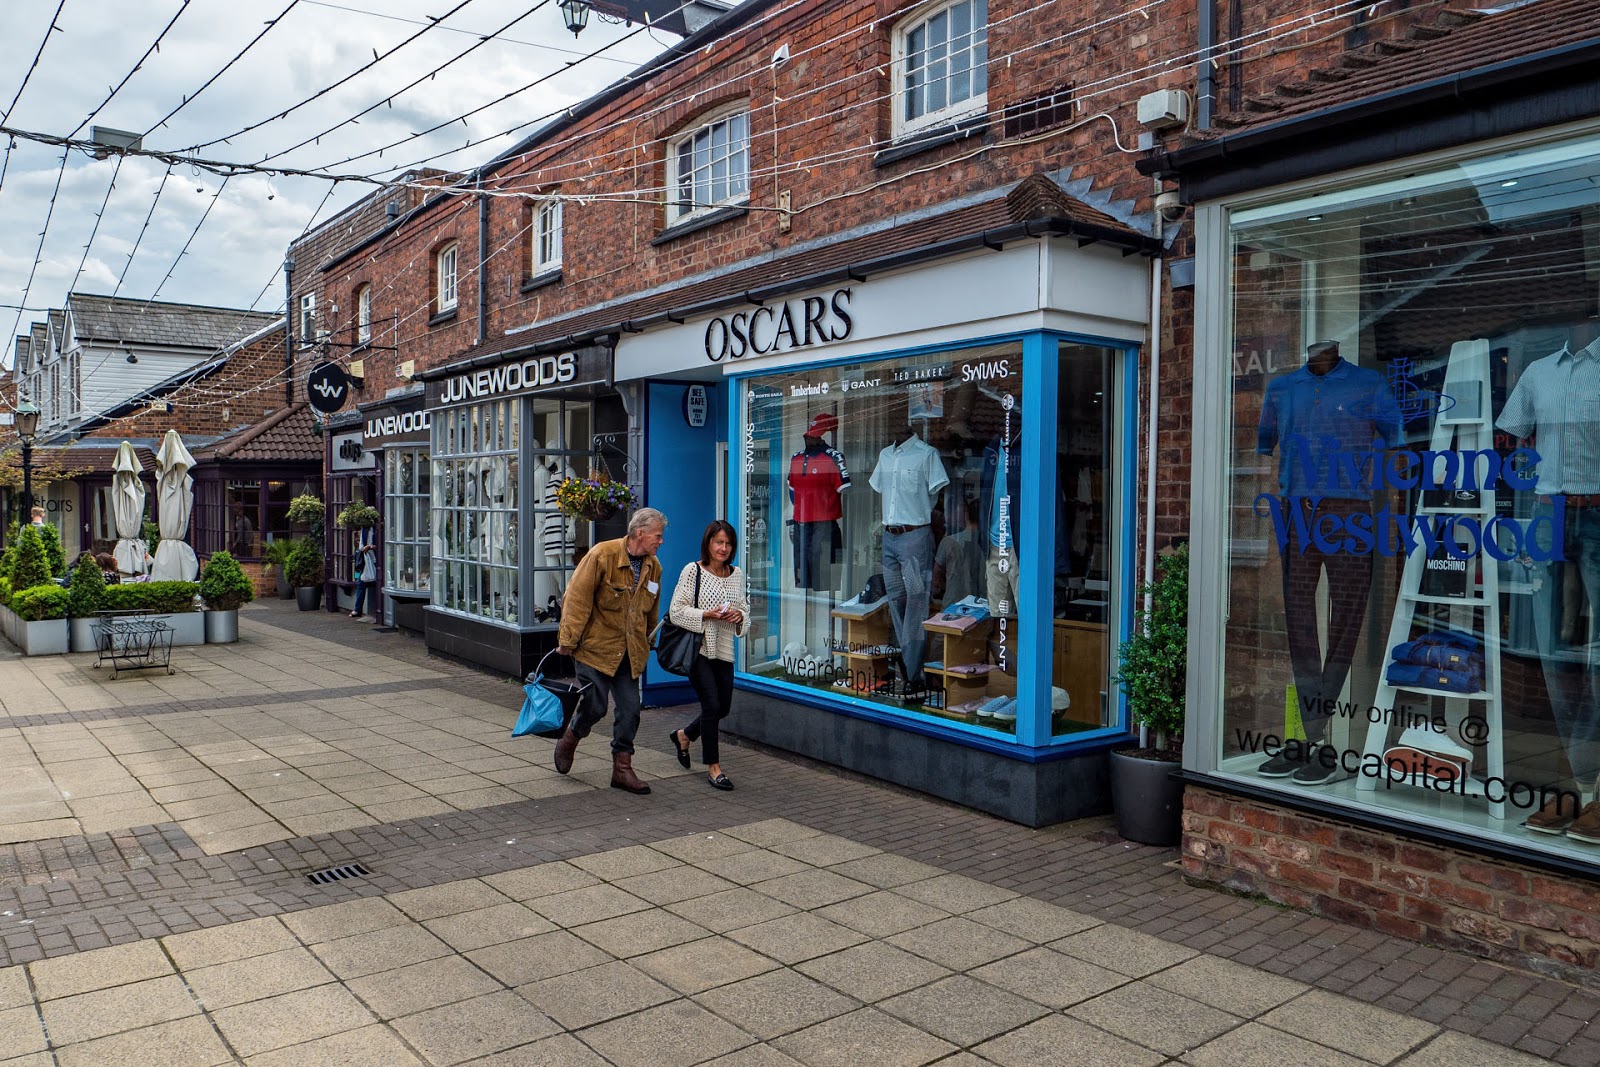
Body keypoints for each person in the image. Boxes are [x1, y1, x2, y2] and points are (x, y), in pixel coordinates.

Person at [552, 506, 667, 794]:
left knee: (630, 710)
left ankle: (622, 769)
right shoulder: (602, 555)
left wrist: (649, 640)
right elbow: (576, 598)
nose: (661, 541)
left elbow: (651, 610)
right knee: (596, 706)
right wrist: (568, 639)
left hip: (629, 652)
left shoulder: (654, 567)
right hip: (595, 649)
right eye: (658, 535)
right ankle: (571, 737)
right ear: (640, 533)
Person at [667, 520, 748, 790]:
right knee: (712, 707)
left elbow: (745, 613)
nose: (723, 548)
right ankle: (714, 768)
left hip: (724, 650)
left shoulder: (736, 574)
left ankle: (684, 735)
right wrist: (706, 614)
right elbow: (677, 610)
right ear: (708, 544)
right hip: (699, 649)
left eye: (728, 543)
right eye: (718, 542)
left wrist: (739, 617)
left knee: (722, 707)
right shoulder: (693, 571)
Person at [349, 531, 379, 621]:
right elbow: (361, 546)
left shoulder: (376, 530)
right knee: (360, 583)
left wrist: (371, 547)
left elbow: (382, 544)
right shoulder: (364, 531)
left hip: (377, 561)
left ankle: (379, 610)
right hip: (366, 561)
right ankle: (357, 609)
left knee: (378, 584)